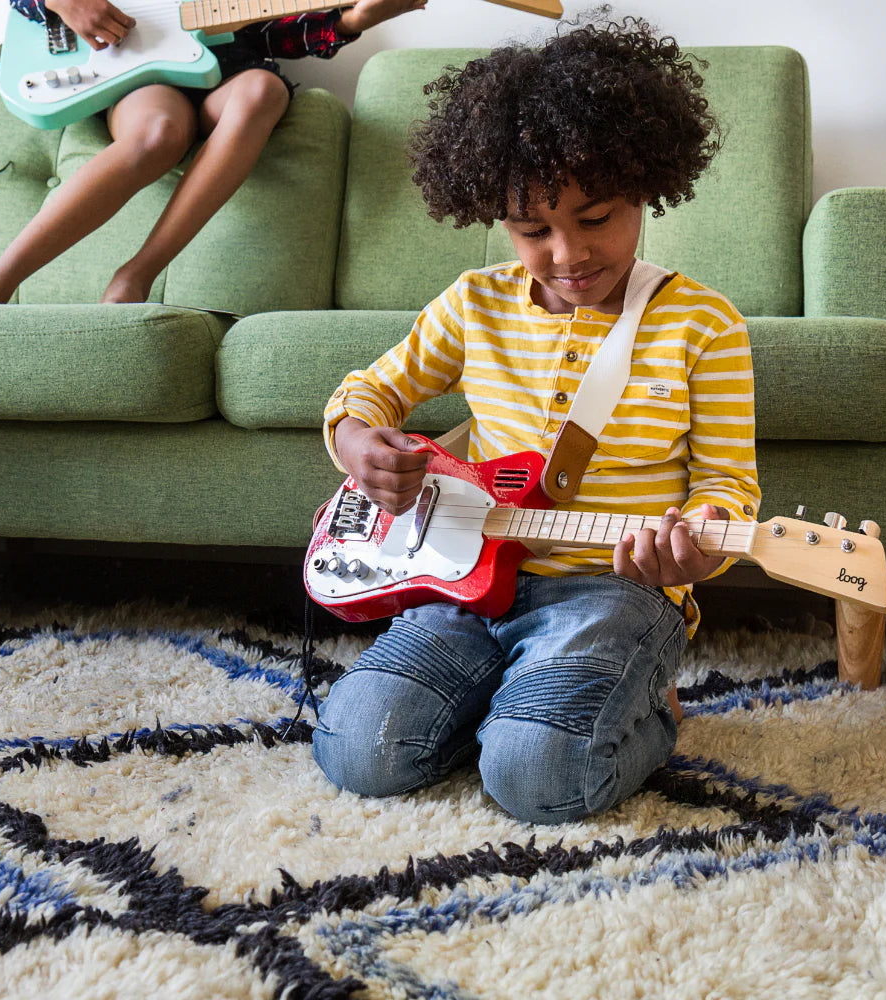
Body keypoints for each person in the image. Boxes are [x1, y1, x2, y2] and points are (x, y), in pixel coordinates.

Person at [310, 14, 762, 825]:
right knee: (356, 750)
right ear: (497, 216)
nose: (567, 254)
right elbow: (367, 393)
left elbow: (727, 484)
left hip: (615, 592)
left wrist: (692, 545)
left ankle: (642, 713)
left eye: (597, 218)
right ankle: (523, 700)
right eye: (532, 230)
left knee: (536, 780)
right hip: (463, 579)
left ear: (648, 188)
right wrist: (356, 443)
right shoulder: (473, 303)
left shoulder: (704, 324)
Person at [0, 0, 426, 305]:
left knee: (263, 91)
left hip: (230, 71)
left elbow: (273, 31)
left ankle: (135, 276)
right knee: (159, 132)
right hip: (132, 72)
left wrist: (351, 20)